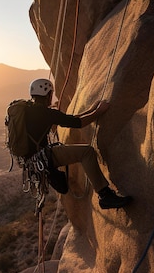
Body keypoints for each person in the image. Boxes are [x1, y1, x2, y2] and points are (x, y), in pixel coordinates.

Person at [26, 78, 132, 209]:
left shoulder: (28, 109)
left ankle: (105, 195)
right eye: (50, 94)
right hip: (43, 157)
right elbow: (78, 123)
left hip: (33, 160)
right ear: (47, 94)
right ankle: (105, 196)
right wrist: (99, 112)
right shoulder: (45, 113)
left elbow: (72, 120)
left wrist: (92, 110)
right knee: (86, 152)